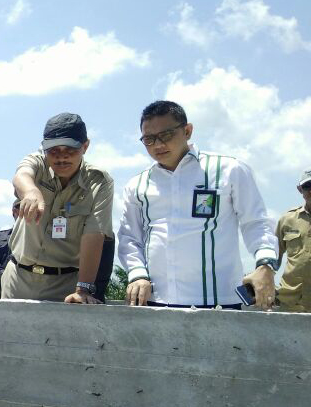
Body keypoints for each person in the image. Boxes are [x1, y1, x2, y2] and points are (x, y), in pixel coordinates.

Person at [117, 100, 278, 310]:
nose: (158, 145)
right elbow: (129, 238)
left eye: (166, 135)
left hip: (220, 302)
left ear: (187, 131)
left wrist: (265, 264)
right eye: (149, 139)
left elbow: (256, 222)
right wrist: (137, 275)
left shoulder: (229, 170)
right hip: (156, 301)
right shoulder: (137, 185)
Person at [2, 113, 114, 304]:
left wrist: (83, 289)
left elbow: (94, 235)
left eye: (70, 149)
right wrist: (30, 192)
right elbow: (22, 175)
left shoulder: (99, 182)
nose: (61, 156)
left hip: (65, 286)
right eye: (53, 150)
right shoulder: (37, 162)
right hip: (17, 280)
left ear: (85, 146)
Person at [275, 168, 311, 312]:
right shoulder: (287, 219)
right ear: (299, 189)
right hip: (291, 302)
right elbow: (274, 257)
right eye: (307, 186)